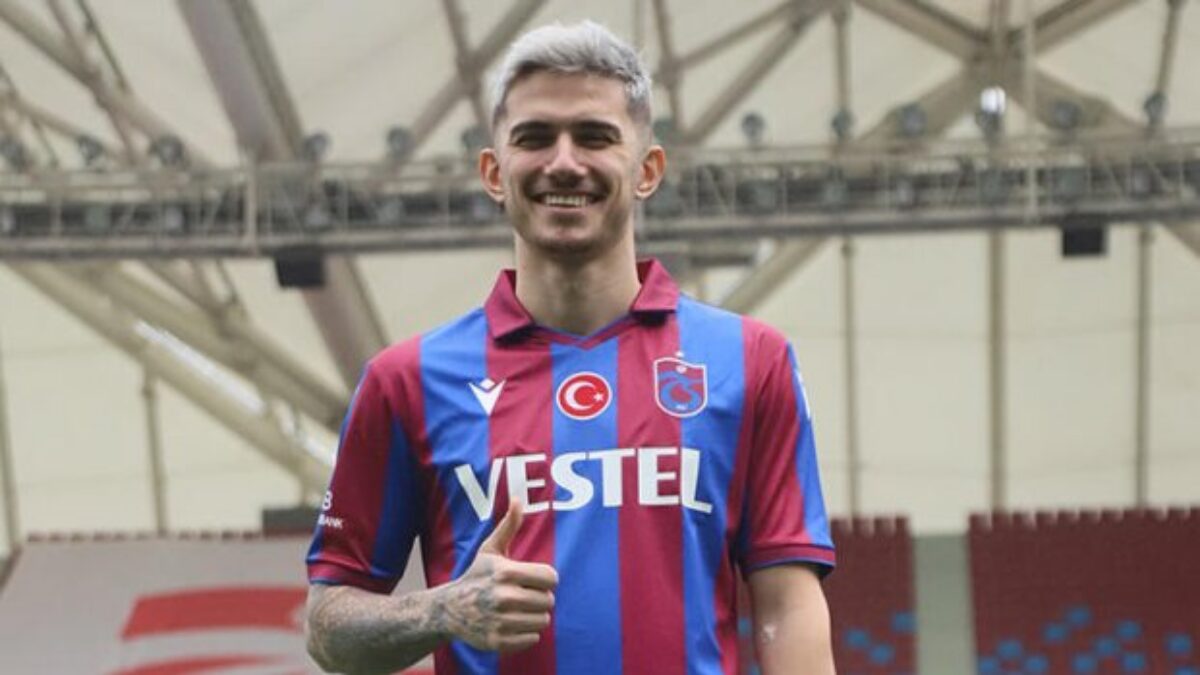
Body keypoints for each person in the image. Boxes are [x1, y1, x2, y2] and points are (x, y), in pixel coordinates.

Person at [304, 20, 835, 675]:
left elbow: (786, 604)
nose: (563, 161)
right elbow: (328, 627)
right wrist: (442, 610)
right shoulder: (406, 379)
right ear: (494, 172)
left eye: (594, 136)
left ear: (648, 170)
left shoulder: (749, 360)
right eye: (534, 138)